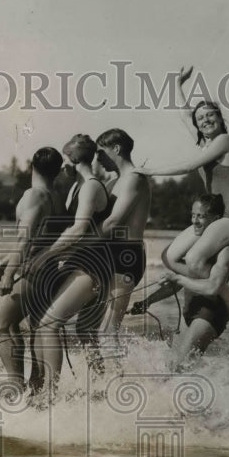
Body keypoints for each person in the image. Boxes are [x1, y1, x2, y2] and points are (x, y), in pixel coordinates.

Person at [136, 65, 229, 317]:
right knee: (170, 256)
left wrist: (149, 171)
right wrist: (177, 84)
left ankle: (227, 295)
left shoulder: (224, 142)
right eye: (201, 119)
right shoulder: (205, 142)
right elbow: (184, 115)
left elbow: (188, 166)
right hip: (213, 218)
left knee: (195, 258)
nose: (205, 121)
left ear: (220, 118)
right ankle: (208, 287)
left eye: (210, 116)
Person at [23, 134, 114, 393]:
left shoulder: (90, 187)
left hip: (93, 268)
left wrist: (45, 256)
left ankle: (50, 396)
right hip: (79, 264)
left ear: (73, 161)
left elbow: (78, 229)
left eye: (64, 160)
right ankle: (43, 388)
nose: (62, 167)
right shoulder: (77, 187)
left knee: (49, 324)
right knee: (47, 324)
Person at [130, 194, 229, 367]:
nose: (194, 221)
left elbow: (212, 287)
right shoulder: (192, 248)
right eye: (193, 215)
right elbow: (176, 284)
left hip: (210, 315)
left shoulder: (226, 251)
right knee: (171, 366)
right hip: (189, 312)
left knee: (180, 368)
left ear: (217, 220)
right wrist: (148, 301)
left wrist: (178, 278)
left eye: (201, 216)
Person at [0, 146, 67, 387]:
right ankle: (36, 389)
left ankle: (14, 385)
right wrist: (5, 264)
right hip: (51, 270)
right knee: (33, 327)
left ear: (32, 166)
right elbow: (40, 238)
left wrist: (9, 276)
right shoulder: (57, 197)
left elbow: (25, 239)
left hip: (34, 272)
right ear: (58, 171)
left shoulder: (34, 195)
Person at [94, 128, 151, 331]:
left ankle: (123, 364)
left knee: (108, 331)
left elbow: (113, 222)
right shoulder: (113, 182)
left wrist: (77, 243)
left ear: (116, 149)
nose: (98, 158)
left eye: (101, 152)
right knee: (91, 328)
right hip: (108, 254)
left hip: (127, 256)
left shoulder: (135, 178)